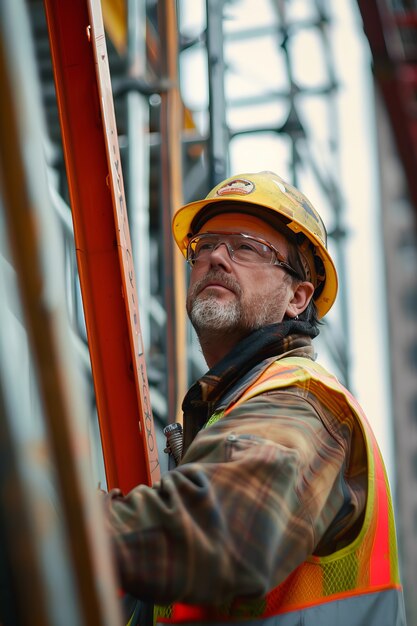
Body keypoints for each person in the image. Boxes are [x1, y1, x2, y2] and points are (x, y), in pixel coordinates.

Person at [101, 171, 406, 625]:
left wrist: (49, 524)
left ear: (298, 297)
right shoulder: (233, 408)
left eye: (246, 247)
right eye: (204, 246)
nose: (216, 258)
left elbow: (223, 533)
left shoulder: (303, 401)